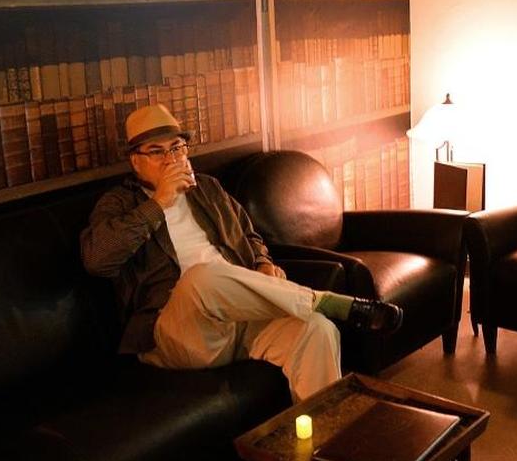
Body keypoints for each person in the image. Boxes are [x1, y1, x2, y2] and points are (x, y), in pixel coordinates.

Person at [81, 104, 402, 401]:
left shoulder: (207, 188)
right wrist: (159, 202)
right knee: (202, 277)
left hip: (237, 320)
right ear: (135, 161)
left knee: (318, 330)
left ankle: (324, 437)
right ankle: (323, 301)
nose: (170, 159)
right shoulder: (120, 203)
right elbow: (97, 260)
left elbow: (250, 236)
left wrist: (262, 263)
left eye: (176, 148)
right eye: (156, 151)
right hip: (178, 333)